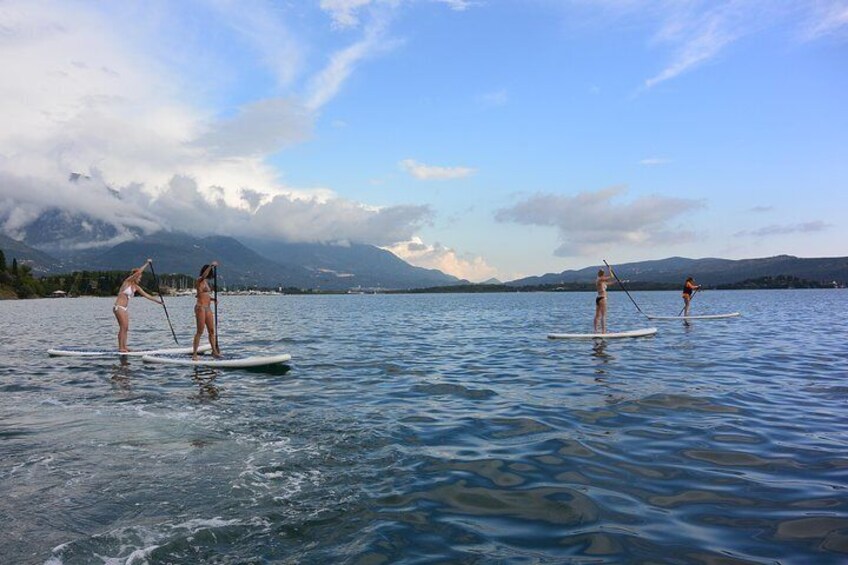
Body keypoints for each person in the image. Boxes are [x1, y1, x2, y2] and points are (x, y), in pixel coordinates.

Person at [113, 258, 163, 352]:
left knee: (126, 328)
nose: (140, 279)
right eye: (139, 277)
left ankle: (124, 346)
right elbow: (139, 271)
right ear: (135, 276)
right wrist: (147, 263)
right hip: (118, 307)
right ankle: (121, 348)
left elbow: (146, 295)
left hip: (124, 308)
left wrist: (158, 302)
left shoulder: (135, 287)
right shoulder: (127, 282)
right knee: (123, 327)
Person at [193, 261, 221, 360]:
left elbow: (205, 295)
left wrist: (213, 299)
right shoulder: (199, 280)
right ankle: (195, 354)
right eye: (209, 272)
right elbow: (204, 276)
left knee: (212, 331)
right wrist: (211, 265)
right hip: (200, 308)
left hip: (208, 308)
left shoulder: (206, 282)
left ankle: (214, 351)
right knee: (200, 331)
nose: (209, 275)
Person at [594, 266, 615, 334]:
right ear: (602, 274)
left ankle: (596, 331)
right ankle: (603, 331)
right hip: (602, 298)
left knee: (597, 315)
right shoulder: (600, 279)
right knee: (603, 315)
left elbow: (609, 283)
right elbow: (611, 276)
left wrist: (617, 282)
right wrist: (610, 270)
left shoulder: (601, 281)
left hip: (598, 298)